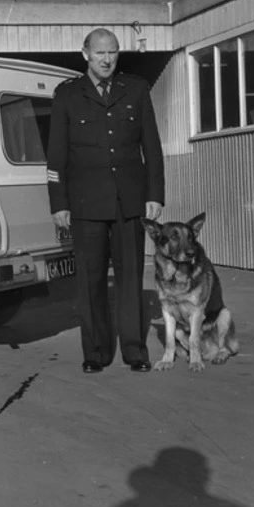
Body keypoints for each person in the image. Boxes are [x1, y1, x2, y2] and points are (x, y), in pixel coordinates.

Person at [47, 28, 164, 373]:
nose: (107, 59)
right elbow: (56, 156)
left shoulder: (136, 89)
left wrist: (154, 195)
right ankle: (96, 352)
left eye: (112, 52)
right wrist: (59, 203)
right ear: (85, 54)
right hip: (85, 204)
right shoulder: (67, 95)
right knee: (90, 280)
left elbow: (152, 148)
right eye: (99, 53)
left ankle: (134, 351)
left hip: (129, 202)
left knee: (130, 280)